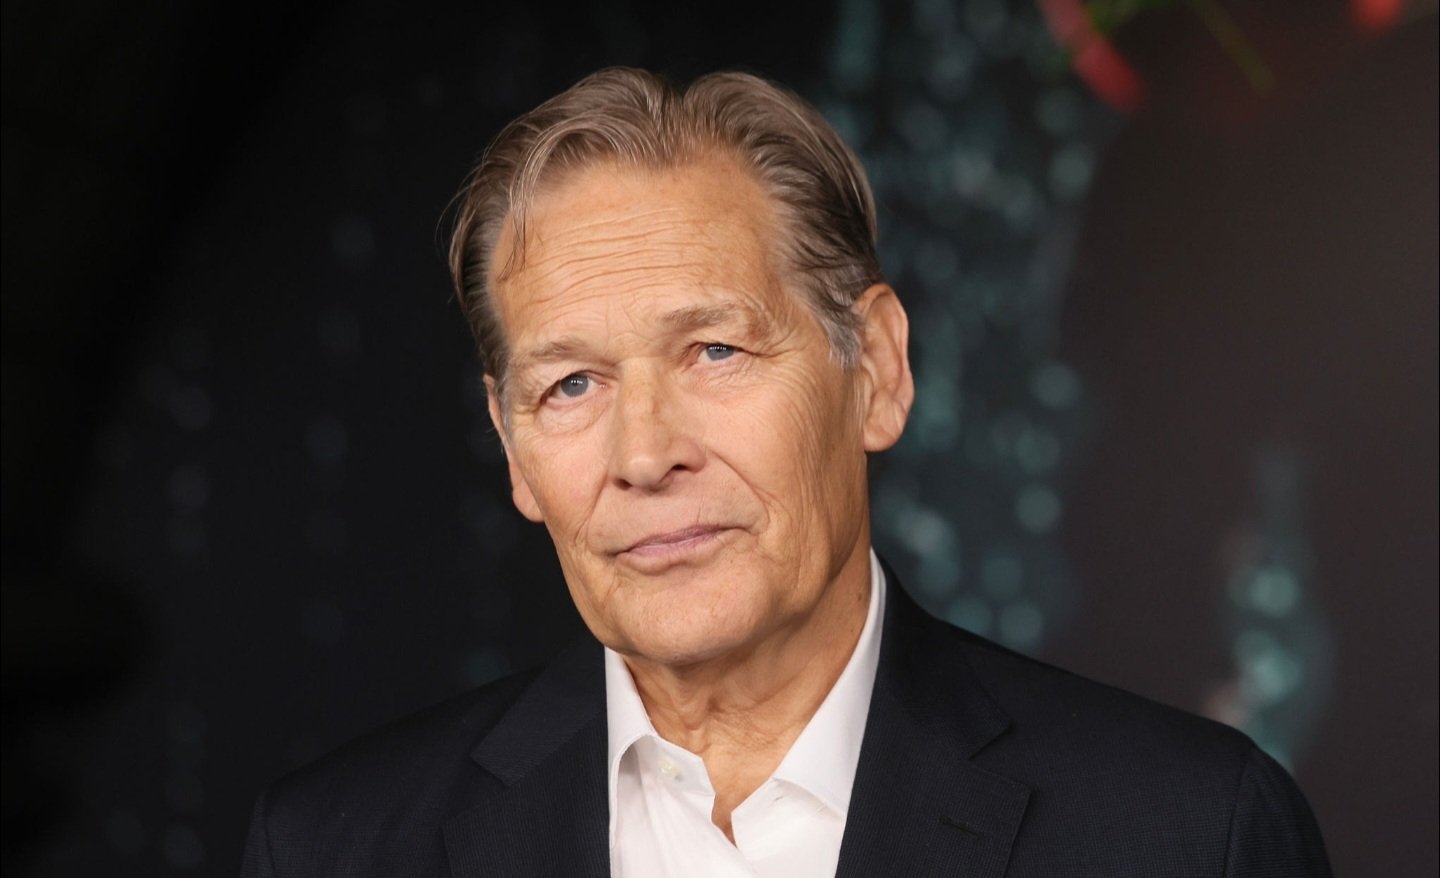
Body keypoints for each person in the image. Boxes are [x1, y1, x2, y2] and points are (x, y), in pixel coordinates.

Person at [241, 68, 1331, 877]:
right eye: (571, 384)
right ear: (512, 446)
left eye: (715, 351)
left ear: (877, 372)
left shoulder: (1188, 835)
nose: (644, 454)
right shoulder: (335, 850)